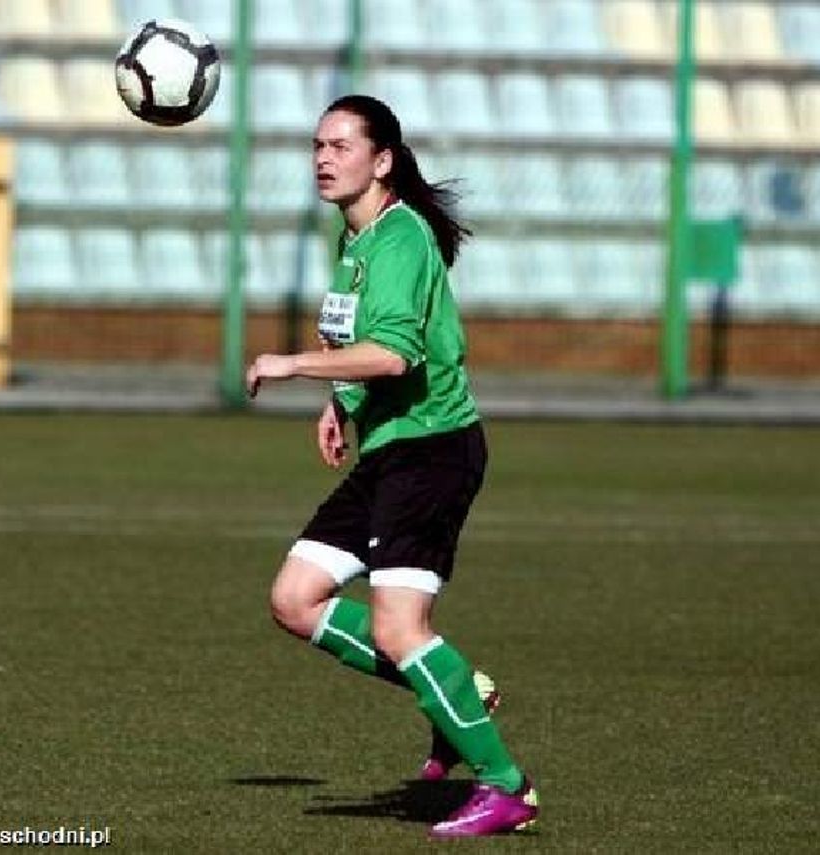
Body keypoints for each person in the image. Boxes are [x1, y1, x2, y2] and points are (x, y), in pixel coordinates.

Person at [244, 94, 538, 838]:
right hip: (389, 449)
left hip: (432, 451)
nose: (322, 157)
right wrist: (341, 400)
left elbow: (397, 351)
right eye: (317, 144)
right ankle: (454, 692)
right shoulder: (359, 240)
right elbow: (367, 350)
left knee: (401, 626)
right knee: (295, 598)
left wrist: (293, 364)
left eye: (341, 145)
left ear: (383, 161)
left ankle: (507, 785)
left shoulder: (400, 237)